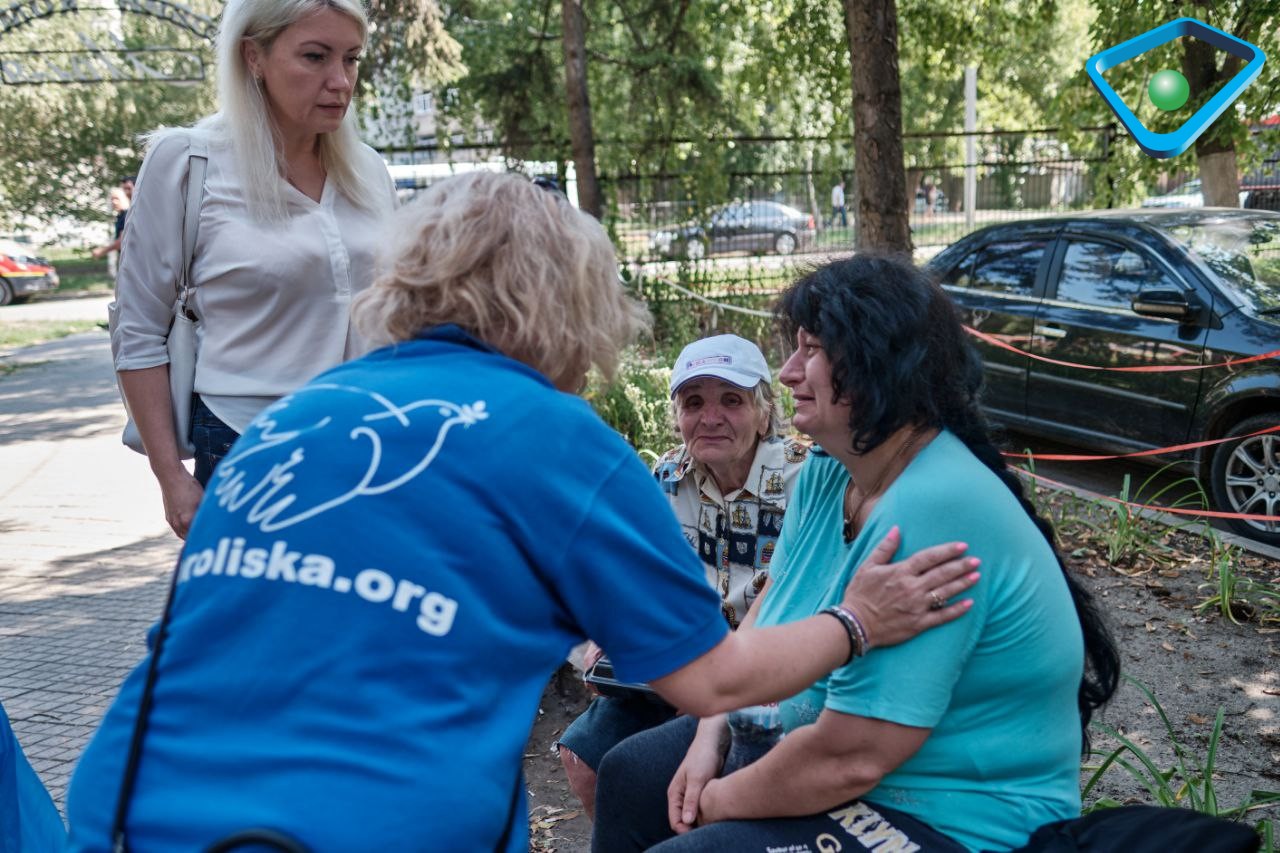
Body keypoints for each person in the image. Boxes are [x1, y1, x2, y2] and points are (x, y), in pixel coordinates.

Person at [64, 173, 980, 852]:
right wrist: (859, 619)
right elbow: (716, 679)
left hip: (123, 804)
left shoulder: (297, 415)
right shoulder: (557, 439)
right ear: (570, 302)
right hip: (354, 826)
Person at [592, 254, 1120, 852]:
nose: (788, 373)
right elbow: (773, 602)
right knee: (631, 775)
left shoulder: (935, 505)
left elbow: (852, 759)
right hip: (820, 741)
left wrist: (717, 800)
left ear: (878, 364)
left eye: (811, 350)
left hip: (943, 814)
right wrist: (711, 730)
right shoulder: (826, 472)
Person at [109, 0, 397, 540]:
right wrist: (170, 476)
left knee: (360, 622)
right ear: (253, 57)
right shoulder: (189, 162)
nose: (340, 81)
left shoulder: (370, 172)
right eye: (315, 56)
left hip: (368, 448)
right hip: (247, 449)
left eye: (352, 59)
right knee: (263, 624)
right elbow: (139, 331)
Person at [557, 333, 810, 818]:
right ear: (677, 414)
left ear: (763, 411)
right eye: (694, 402)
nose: (710, 417)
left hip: (766, 676)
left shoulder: (805, 480)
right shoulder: (668, 477)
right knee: (584, 758)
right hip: (674, 666)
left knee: (690, 787)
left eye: (731, 401)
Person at [90, 186, 131, 277]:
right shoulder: (121, 216)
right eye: (112, 199)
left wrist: (102, 251)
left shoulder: (127, 215)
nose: (114, 202)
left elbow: (122, 241)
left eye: (117, 198)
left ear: (124, 198)